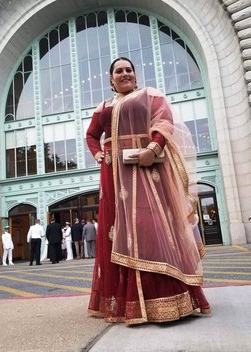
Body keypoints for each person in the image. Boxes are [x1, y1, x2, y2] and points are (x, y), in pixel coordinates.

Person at [85, 57, 210, 324]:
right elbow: (91, 134)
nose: (125, 73)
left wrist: (152, 149)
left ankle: (166, 297)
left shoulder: (149, 95)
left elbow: (164, 122)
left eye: (129, 69)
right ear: (111, 79)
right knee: (116, 230)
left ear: (135, 75)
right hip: (113, 174)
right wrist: (98, 155)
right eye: (118, 71)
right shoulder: (103, 106)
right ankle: (123, 303)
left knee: (150, 226)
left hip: (146, 168)